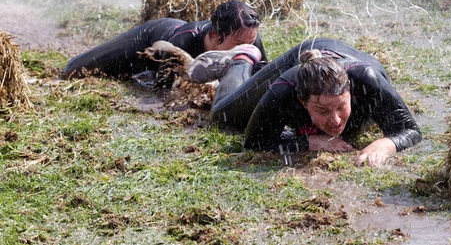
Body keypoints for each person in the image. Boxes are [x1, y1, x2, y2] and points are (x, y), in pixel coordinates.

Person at [147, 37, 422, 167]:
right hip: (301, 58)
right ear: (302, 103)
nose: (336, 120)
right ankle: (241, 58)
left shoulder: (368, 81)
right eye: (323, 111)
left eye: (341, 107)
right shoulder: (284, 91)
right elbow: (255, 142)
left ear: (351, 92)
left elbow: (409, 129)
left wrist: (384, 144)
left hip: (338, 57)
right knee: (223, 116)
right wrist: (311, 141)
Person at [61, 0, 268, 81]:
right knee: (74, 70)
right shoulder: (183, 43)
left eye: (252, 41)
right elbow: (166, 92)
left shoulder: (248, 39)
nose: (247, 48)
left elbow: (261, 79)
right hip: (149, 40)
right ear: (215, 36)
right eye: (240, 43)